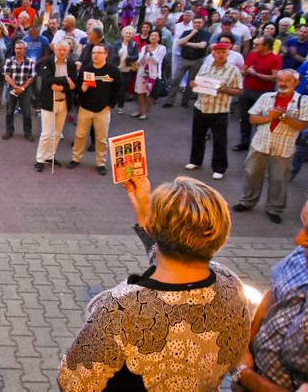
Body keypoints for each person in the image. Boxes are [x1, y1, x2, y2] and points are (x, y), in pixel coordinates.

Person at [58, 175, 249, 391]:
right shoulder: (230, 282)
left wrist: (150, 221)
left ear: (151, 228)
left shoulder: (121, 309)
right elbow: (174, 259)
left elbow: (72, 382)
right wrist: (146, 214)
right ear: (221, 238)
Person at [231, 198, 308, 391]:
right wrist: (248, 342)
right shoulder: (301, 254)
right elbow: (274, 293)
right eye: (304, 227)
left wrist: (243, 373)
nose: (298, 240)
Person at [233, 69, 308, 224]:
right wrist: (269, 117)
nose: (283, 84)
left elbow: (302, 125)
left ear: (296, 83)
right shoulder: (266, 97)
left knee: (279, 179)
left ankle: (274, 209)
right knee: (252, 173)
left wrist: (282, 116)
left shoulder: (303, 101)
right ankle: (247, 202)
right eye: (280, 80)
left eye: (287, 80)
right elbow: (253, 118)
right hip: (260, 143)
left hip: (284, 147)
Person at [185, 42, 243, 180]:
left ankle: (219, 168)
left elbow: (239, 90)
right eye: (218, 52)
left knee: (219, 140)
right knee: (198, 136)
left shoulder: (234, 70)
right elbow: (198, 82)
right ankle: (195, 161)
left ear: (228, 54)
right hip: (201, 106)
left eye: (224, 52)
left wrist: (225, 89)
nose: (221, 55)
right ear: (213, 54)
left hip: (219, 110)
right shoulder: (205, 66)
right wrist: (194, 84)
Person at [68, 43, 122, 175]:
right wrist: (82, 89)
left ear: (106, 55)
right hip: (85, 108)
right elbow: (77, 90)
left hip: (103, 110)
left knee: (101, 139)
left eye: (99, 53)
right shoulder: (86, 69)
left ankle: (100, 163)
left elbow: (118, 90)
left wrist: (110, 105)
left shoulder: (113, 71)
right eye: (93, 53)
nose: (95, 55)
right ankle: (76, 158)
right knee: (80, 135)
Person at [235, 36, 283, 152]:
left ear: (266, 46)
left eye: (257, 44)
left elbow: (275, 77)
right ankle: (244, 142)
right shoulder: (252, 55)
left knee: (260, 119)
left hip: (263, 93)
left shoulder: (275, 59)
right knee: (244, 117)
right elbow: (242, 71)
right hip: (247, 90)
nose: (254, 46)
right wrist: (247, 71)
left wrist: (257, 75)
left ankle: (259, 144)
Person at [36, 41, 77, 171]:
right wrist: (66, 80)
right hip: (49, 102)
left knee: (57, 133)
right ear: (55, 50)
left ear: (68, 51)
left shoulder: (71, 65)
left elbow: (74, 85)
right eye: (59, 49)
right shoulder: (47, 62)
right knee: (46, 133)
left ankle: (49, 156)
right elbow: (47, 80)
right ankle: (40, 159)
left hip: (63, 102)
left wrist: (61, 87)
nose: (62, 52)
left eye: (64, 50)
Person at [163, 15, 210, 108]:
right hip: (184, 59)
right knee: (175, 79)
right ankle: (170, 101)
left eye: (199, 22)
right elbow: (180, 43)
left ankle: (185, 101)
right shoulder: (187, 32)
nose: (197, 24)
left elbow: (202, 45)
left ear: (203, 23)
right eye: (195, 22)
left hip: (197, 60)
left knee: (190, 82)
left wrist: (187, 43)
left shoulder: (205, 34)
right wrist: (191, 34)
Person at [2, 40, 35, 141]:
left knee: (27, 113)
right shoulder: (9, 61)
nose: (18, 50)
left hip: (25, 90)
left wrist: (23, 87)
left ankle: (28, 132)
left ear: (25, 50)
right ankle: (9, 131)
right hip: (11, 89)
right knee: (9, 112)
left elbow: (31, 77)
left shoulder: (30, 61)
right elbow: (6, 76)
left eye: (20, 48)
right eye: (16, 48)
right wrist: (16, 87)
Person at [133, 30, 167, 120]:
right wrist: (145, 53)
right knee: (140, 92)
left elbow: (157, 61)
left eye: (156, 36)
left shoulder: (162, 48)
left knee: (151, 94)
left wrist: (151, 53)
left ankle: (146, 113)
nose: (153, 37)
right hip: (142, 72)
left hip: (153, 74)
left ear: (159, 38)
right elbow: (140, 61)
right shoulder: (145, 47)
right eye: (152, 35)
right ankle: (139, 110)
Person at [113, 26, 139, 113]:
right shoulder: (117, 43)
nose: (128, 35)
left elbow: (136, 56)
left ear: (132, 35)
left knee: (123, 89)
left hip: (127, 69)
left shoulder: (134, 44)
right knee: (114, 87)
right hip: (117, 68)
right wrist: (119, 55)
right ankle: (111, 103)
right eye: (126, 33)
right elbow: (112, 55)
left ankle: (120, 106)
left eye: (130, 33)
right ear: (123, 34)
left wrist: (129, 57)